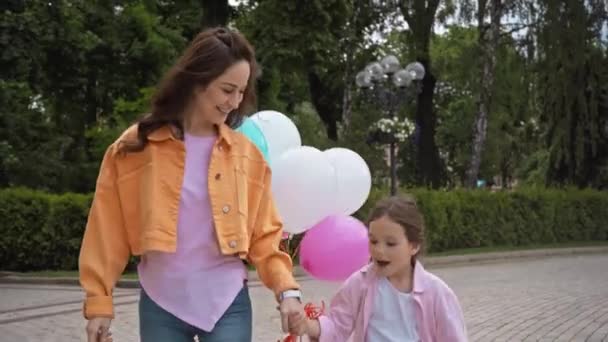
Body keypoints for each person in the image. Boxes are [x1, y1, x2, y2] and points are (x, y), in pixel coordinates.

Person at [79, 27, 304, 342]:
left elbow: (265, 235)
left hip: (227, 303)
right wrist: (99, 301)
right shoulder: (134, 147)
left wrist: (287, 291)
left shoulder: (247, 156)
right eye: (227, 89)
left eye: (241, 92)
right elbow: (106, 229)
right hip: (161, 303)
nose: (234, 102)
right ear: (197, 80)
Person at [290, 195, 467, 341]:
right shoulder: (359, 284)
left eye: (390, 243)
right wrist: (307, 325)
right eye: (373, 241)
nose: (379, 250)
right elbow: (336, 327)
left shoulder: (437, 293)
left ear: (414, 246)